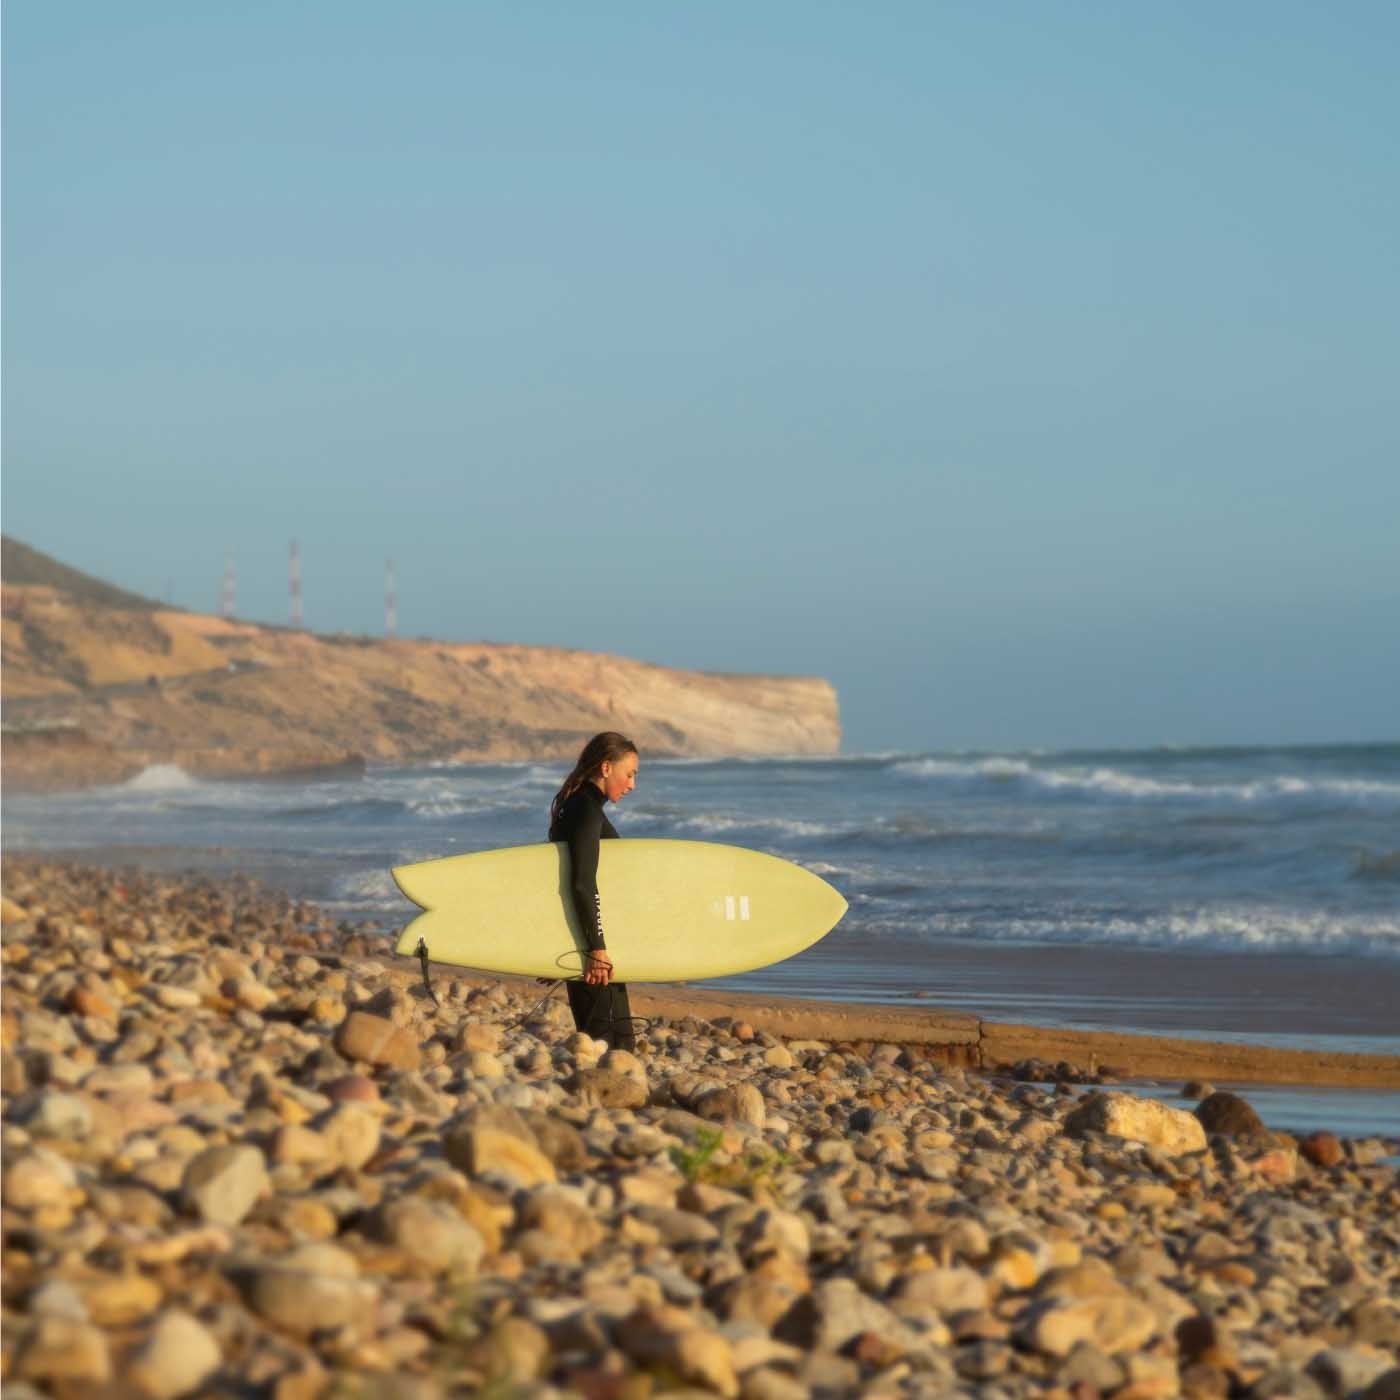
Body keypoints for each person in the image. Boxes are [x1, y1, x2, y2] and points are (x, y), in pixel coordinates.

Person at [548, 732, 640, 1051]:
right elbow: (582, 884)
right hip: (594, 953)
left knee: (606, 1042)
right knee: (613, 1046)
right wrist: (596, 950)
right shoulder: (585, 811)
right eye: (629, 774)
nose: (632, 785)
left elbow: (557, 883)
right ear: (605, 767)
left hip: (586, 943)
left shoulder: (576, 807)